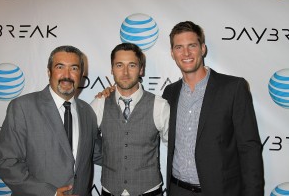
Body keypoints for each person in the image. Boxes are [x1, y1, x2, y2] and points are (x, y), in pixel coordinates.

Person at [162, 21, 264, 196]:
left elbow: (249, 148)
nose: (185, 53)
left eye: (192, 45)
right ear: (172, 53)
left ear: (203, 49)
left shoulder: (233, 88)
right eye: (179, 47)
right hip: (177, 190)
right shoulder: (170, 93)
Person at [0, 45, 99, 196]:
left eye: (74, 68)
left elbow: (98, 153)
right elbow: (6, 163)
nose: (67, 75)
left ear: (81, 74)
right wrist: (51, 193)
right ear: (49, 71)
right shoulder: (23, 107)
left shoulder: (88, 112)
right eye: (60, 67)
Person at [90, 42, 170, 196]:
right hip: (109, 191)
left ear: (141, 69)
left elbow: (175, 149)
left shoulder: (160, 106)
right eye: (119, 65)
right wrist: (109, 159)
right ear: (112, 69)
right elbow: (84, 141)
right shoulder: (99, 103)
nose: (125, 72)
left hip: (149, 191)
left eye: (132, 65)